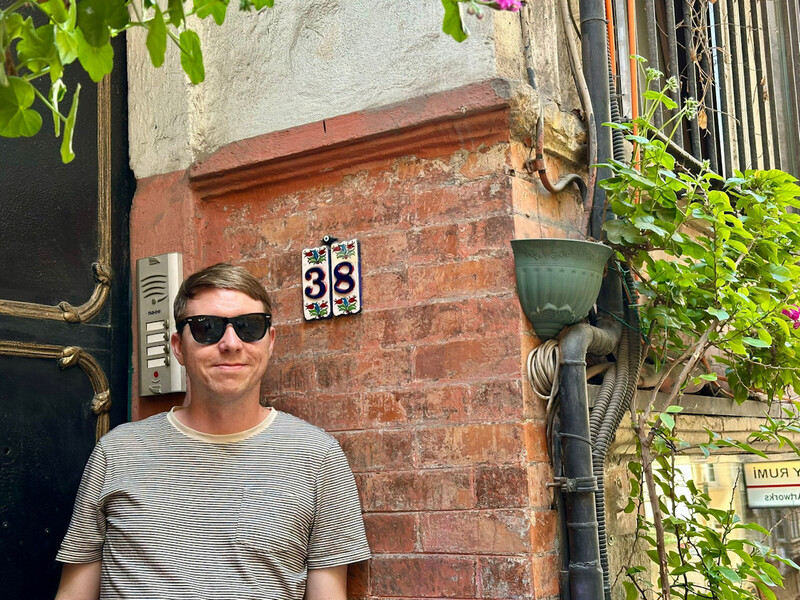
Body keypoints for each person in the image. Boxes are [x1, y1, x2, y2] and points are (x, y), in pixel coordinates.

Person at [54, 263, 370, 600]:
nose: (231, 343)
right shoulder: (116, 452)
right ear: (177, 346)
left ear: (270, 341)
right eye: (207, 328)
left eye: (249, 327)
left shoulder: (318, 458)